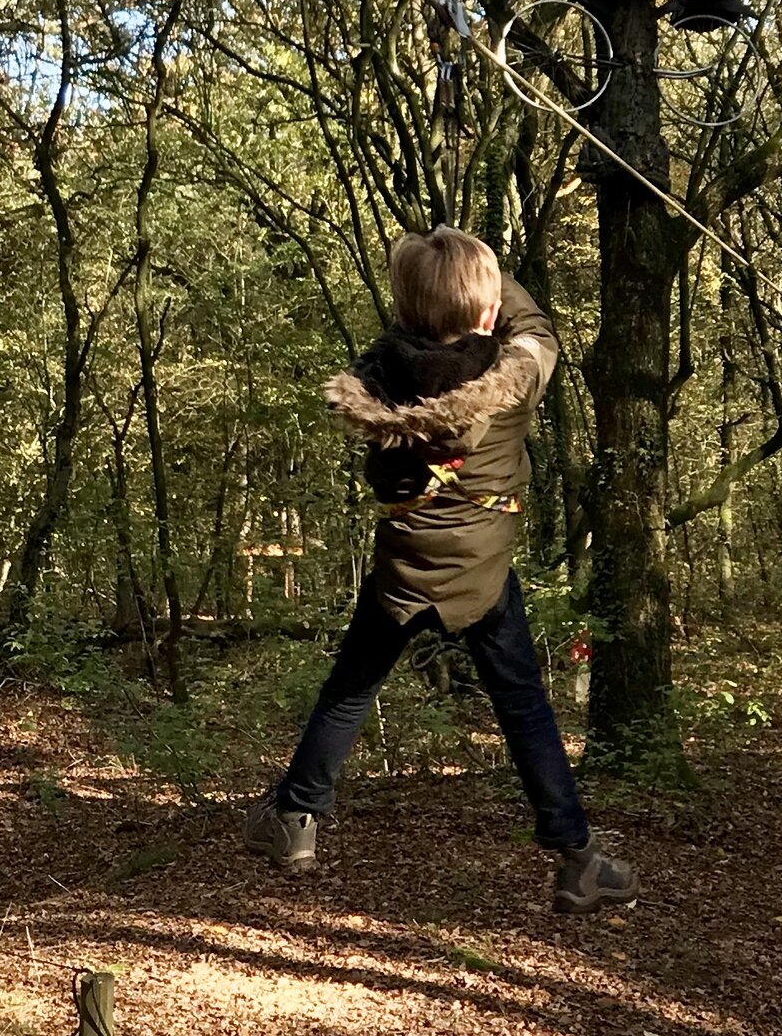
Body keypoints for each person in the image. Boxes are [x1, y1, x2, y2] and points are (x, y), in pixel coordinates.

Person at [243, 227, 637, 915]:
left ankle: (297, 821)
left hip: (404, 567)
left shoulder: (380, 381)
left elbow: (418, 328)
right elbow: (535, 326)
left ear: (406, 312)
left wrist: (440, 280)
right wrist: (487, 272)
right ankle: (577, 860)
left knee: (350, 688)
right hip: (482, 574)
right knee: (525, 708)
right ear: (488, 313)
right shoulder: (513, 377)